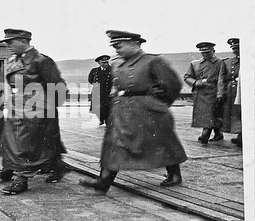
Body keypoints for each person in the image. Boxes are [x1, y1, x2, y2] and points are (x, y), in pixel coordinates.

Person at [79, 30, 188, 193]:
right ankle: (104, 181)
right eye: (114, 46)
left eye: (119, 46)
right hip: (123, 111)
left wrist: (159, 105)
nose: (116, 50)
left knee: (163, 142)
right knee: (114, 144)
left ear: (134, 44)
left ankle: (174, 174)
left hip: (150, 111)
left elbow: (173, 86)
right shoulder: (117, 63)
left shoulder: (154, 61)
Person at [0, 28, 68, 194]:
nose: (8, 45)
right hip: (17, 106)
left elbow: (58, 86)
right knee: (18, 141)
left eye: (10, 42)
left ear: (23, 41)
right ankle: (57, 166)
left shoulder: (41, 60)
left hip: (36, 108)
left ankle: (21, 178)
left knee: (26, 144)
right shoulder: (13, 60)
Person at [184, 42, 224, 145]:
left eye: (207, 52)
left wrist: (220, 93)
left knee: (210, 114)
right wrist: (196, 82)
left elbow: (222, 79)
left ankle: (205, 135)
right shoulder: (194, 64)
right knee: (209, 114)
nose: (205, 55)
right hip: (200, 93)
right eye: (203, 53)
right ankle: (218, 133)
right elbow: (187, 77)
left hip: (214, 92)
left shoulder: (220, 63)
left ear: (213, 51)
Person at [217, 38, 241, 147]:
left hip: (244, 90)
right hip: (231, 92)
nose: (235, 50)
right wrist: (220, 93)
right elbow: (221, 79)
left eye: (238, 48)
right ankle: (240, 135)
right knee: (234, 114)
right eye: (234, 48)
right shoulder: (227, 62)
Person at [88, 55, 112, 125]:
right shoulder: (94, 71)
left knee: (108, 108)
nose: (106, 64)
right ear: (99, 63)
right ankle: (101, 119)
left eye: (107, 62)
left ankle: (107, 121)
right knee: (99, 108)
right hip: (98, 92)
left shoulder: (112, 70)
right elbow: (90, 80)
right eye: (103, 62)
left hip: (108, 92)